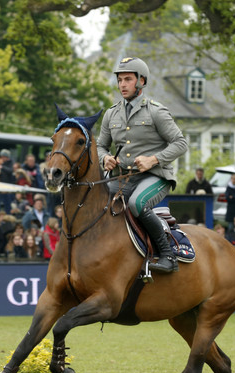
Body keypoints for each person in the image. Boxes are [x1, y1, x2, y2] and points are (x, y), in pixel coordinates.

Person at [97, 56, 188, 274]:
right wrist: (104, 158)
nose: (122, 85)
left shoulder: (156, 111)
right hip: (123, 178)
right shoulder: (111, 113)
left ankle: (168, 256)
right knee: (98, 204)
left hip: (156, 176)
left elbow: (181, 143)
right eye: (120, 80)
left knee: (137, 204)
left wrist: (153, 159)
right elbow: (100, 146)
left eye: (128, 79)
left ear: (142, 82)